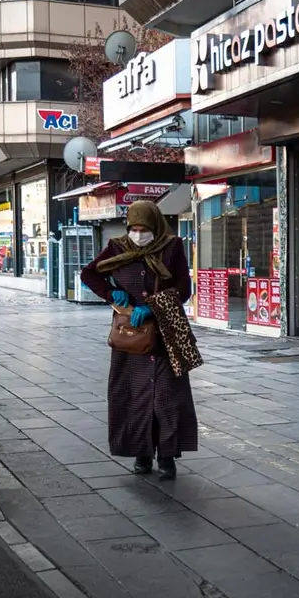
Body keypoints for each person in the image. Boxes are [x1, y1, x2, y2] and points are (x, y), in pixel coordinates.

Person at [80, 200, 198, 480]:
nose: (138, 233)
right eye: (133, 227)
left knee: (167, 398)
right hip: (131, 338)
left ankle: (168, 456)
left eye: (144, 228)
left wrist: (155, 306)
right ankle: (141, 454)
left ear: (155, 225)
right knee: (134, 397)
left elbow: (184, 288)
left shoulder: (172, 246)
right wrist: (111, 294)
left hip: (165, 335)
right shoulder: (117, 247)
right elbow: (90, 273)